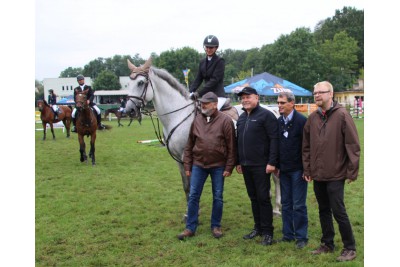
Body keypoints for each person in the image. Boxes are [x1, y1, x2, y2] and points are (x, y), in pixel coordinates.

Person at [302, 81, 360, 262]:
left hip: (336, 172)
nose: (317, 95)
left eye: (320, 92)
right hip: (318, 173)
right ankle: (327, 243)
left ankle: (349, 247)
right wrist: (307, 168)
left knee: (338, 210)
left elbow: (353, 145)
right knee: (323, 210)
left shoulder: (342, 115)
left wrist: (352, 170)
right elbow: (306, 146)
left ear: (331, 93)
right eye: (315, 93)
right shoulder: (312, 118)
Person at [177, 92, 236, 240]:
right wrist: (187, 166)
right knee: (193, 196)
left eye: (206, 103)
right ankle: (190, 227)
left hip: (218, 166)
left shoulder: (225, 121)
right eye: (201, 103)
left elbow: (231, 146)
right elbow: (189, 145)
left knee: (218, 196)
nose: (202, 105)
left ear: (215, 104)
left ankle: (216, 226)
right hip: (198, 165)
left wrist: (229, 167)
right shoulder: (196, 120)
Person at [235, 87, 279, 246]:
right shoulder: (241, 118)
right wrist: (238, 161)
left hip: (262, 165)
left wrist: (272, 162)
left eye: (248, 97)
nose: (245, 100)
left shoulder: (266, 116)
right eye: (243, 98)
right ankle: (258, 228)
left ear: (257, 98)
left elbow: (274, 139)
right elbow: (238, 141)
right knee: (253, 198)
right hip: (246, 165)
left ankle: (268, 232)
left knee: (263, 198)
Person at [276, 91, 308, 249]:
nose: (279, 105)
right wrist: (276, 165)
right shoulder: (278, 121)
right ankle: (288, 234)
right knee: (285, 203)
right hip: (284, 170)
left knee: (298, 204)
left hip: (298, 170)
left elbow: (307, 147)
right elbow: (276, 145)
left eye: (282, 103)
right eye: (278, 103)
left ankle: (302, 236)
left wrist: (306, 169)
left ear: (292, 103)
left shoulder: (302, 121)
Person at [189, 35, 227, 110]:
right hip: (206, 96)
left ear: (216, 48)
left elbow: (214, 80)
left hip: (218, 96)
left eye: (211, 48)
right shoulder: (202, 62)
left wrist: (198, 93)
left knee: (211, 112)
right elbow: (198, 79)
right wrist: (190, 92)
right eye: (207, 47)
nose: (208, 49)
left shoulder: (220, 61)